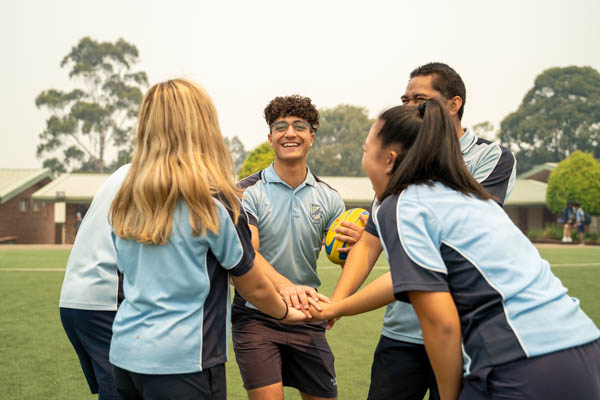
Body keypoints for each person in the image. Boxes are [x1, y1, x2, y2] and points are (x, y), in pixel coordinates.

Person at [312, 99, 600, 400]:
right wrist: (337, 306)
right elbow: (405, 280)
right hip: (583, 348)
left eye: (364, 151)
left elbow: (443, 325)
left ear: (389, 160)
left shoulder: (400, 205)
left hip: (522, 360)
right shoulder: (464, 194)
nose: (363, 160)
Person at [108, 79, 306, 400]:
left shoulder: (126, 199)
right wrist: (287, 313)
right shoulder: (215, 202)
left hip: (126, 357)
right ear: (203, 127)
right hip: (185, 363)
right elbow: (252, 285)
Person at [329, 62, 516, 400]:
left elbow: (448, 242)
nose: (409, 107)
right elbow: (369, 243)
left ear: (453, 104)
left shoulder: (492, 157)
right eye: (405, 100)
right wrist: (335, 305)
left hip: (463, 330)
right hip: (401, 333)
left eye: (420, 99)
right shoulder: (398, 164)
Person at [232, 95, 357, 400]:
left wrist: (353, 248)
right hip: (256, 315)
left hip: (307, 316)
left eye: (299, 126)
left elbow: (344, 258)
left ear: (311, 137)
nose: (290, 133)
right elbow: (249, 253)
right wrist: (288, 287)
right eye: (281, 127)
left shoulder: (330, 198)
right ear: (270, 137)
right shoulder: (246, 192)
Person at [59, 163, 131, 400]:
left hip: (74, 298)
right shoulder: (151, 175)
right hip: (104, 299)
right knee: (123, 390)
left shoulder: (123, 171)